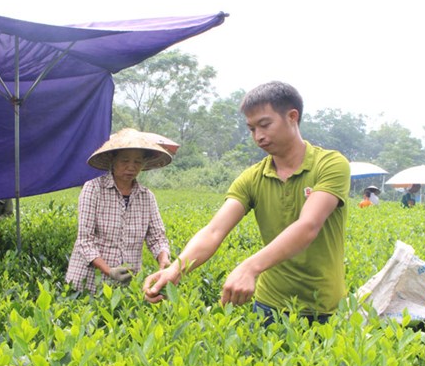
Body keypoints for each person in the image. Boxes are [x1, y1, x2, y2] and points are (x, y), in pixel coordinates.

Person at [143, 81, 350, 325]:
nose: (258, 136)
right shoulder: (253, 177)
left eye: (265, 125)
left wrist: (250, 267)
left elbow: (308, 226)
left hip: (324, 308)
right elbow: (213, 231)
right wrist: (175, 269)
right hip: (269, 305)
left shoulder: (330, 165)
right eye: (251, 129)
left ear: (292, 117)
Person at [65, 128, 172, 294]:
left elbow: (157, 237)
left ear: (143, 164)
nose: (131, 167)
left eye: (137, 162)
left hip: (127, 283)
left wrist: (163, 258)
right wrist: (109, 271)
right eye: (124, 160)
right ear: (113, 160)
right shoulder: (93, 189)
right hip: (88, 281)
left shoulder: (147, 197)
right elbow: (85, 240)